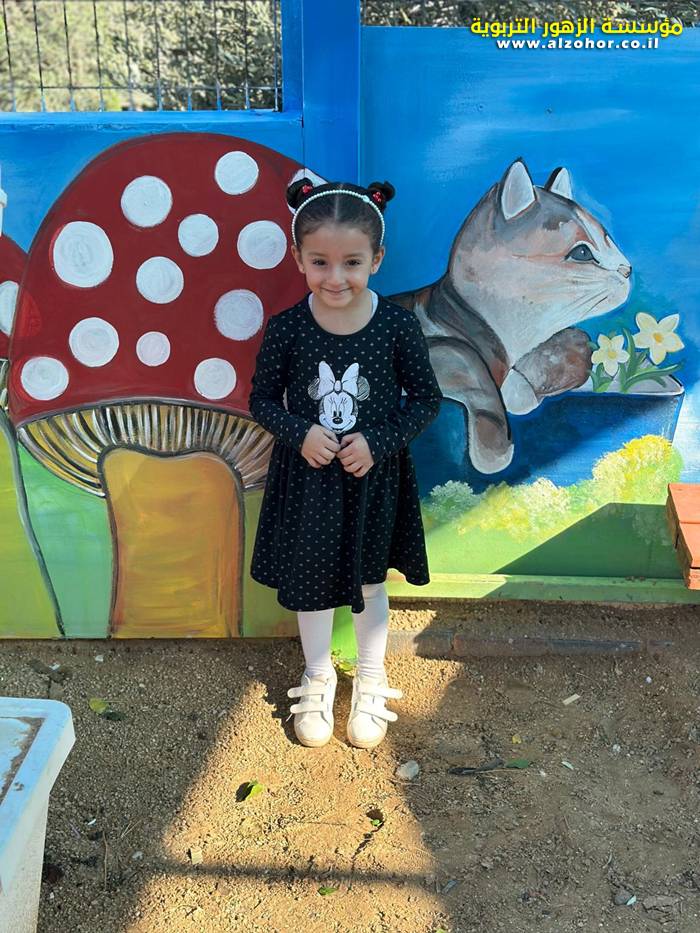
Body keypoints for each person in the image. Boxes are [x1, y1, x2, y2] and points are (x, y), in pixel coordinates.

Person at [248, 177, 443, 750]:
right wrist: (300, 432)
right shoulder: (287, 328)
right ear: (298, 258)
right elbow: (261, 400)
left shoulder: (397, 327)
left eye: (352, 262)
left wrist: (377, 441)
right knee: (311, 584)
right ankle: (317, 676)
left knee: (370, 581)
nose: (335, 277)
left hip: (372, 480)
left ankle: (371, 678)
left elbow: (426, 400)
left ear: (377, 259)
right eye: (320, 262)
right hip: (308, 481)